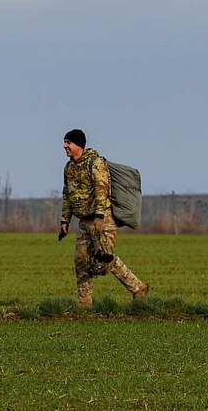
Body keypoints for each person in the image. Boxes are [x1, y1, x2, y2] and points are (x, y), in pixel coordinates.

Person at [59, 129, 148, 307]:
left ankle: (138, 288)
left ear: (78, 145)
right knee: (81, 261)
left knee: (103, 260)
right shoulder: (69, 167)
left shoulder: (96, 163)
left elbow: (102, 190)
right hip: (84, 221)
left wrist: (100, 217)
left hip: (102, 219)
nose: (64, 146)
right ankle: (84, 304)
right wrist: (64, 221)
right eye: (65, 142)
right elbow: (67, 195)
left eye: (68, 142)